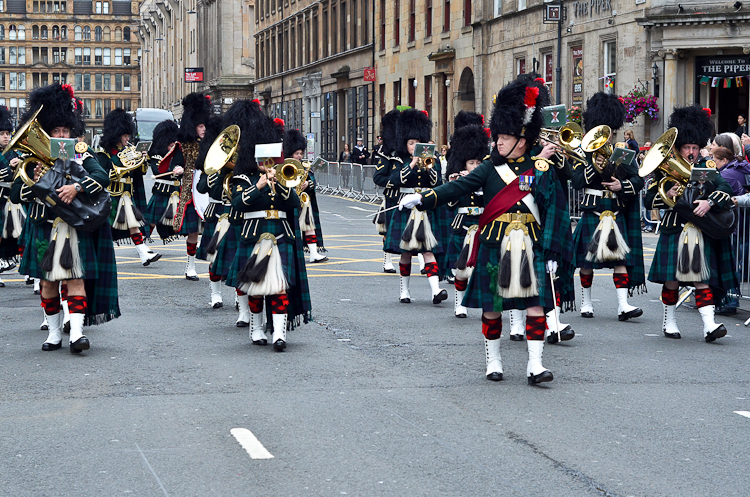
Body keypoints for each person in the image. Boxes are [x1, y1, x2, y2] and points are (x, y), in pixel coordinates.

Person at [400, 75, 575, 384]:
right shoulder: (489, 168)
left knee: (536, 306)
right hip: (497, 243)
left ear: (522, 140)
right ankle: (493, 360)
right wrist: (422, 198)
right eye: (497, 137)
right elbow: (459, 188)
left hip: (531, 244)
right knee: (493, 309)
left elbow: (554, 209)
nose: (497, 142)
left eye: (504, 138)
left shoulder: (540, 166)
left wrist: (553, 251)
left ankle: (535, 364)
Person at [10, 83, 121, 353]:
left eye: (65, 131)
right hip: (44, 226)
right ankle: (55, 333)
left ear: (72, 131)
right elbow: (15, 194)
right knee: (48, 283)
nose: (61, 135)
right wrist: (37, 183)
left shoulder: (83, 153)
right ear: (48, 132)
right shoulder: (32, 156)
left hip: (74, 227)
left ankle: (78, 334)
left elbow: (102, 177)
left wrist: (77, 186)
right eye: (56, 131)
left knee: (76, 279)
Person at [645, 105, 737, 342]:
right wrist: (670, 192)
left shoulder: (706, 168)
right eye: (687, 147)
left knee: (701, 277)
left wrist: (709, 202)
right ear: (679, 147)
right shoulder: (663, 171)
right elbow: (648, 200)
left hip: (699, 229)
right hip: (674, 227)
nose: (691, 152)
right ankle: (670, 322)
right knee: (672, 279)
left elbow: (725, 189)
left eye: (695, 147)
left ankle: (709, 325)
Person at [225, 99, 311, 350]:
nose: (267, 163)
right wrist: (260, 185)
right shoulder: (242, 177)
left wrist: (281, 185)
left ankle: (280, 334)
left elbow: (294, 204)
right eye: (263, 159)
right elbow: (239, 205)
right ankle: (257, 328)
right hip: (254, 235)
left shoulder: (284, 174)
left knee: (279, 286)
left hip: (281, 235)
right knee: (256, 288)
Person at [573, 92, 645, 321]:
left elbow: (639, 180)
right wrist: (595, 167)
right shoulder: (583, 152)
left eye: (612, 132)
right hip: (592, 209)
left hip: (615, 210)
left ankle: (623, 305)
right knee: (587, 261)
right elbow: (576, 182)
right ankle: (586, 302)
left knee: (620, 260)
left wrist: (621, 185)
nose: (610, 136)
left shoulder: (623, 152)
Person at [384, 108, 448, 306]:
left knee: (428, 250)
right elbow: (393, 181)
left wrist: (428, 166)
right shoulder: (398, 160)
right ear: (406, 144)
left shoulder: (431, 160)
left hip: (423, 208)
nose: (414, 146)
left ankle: (436, 290)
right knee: (405, 253)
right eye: (411, 143)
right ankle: (404, 290)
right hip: (405, 208)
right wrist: (411, 164)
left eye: (416, 143)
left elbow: (436, 183)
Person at [97, 108, 162, 266]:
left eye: (128, 135)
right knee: (107, 229)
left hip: (127, 194)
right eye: (125, 135)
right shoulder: (104, 153)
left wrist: (143, 160)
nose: (127, 138)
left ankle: (143, 252)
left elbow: (141, 172)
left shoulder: (130, 151)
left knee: (133, 224)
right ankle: (140, 252)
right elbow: (103, 175)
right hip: (113, 195)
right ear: (116, 134)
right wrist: (119, 171)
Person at [443, 118, 489, 318]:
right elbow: (451, 206)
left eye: (478, 162)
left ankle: (483, 303)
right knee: (461, 269)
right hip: (462, 224)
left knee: (483, 267)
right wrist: (456, 185)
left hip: (482, 224)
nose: (475, 166)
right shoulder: (459, 179)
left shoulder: (487, 180)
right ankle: (460, 304)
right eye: (471, 163)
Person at [176, 92, 211, 281]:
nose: (203, 129)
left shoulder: (212, 145)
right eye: (200, 126)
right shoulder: (184, 145)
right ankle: (190, 266)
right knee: (193, 231)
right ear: (193, 126)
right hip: (191, 189)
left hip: (211, 189)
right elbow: (175, 161)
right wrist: (177, 168)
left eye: (205, 125)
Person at [194, 112, 228, 308]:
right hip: (216, 210)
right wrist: (210, 177)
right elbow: (200, 188)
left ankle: (239, 298)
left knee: (235, 256)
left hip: (233, 211)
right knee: (213, 256)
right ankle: (215, 294)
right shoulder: (211, 163)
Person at [284, 128, 328, 263]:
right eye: (296, 153)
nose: (299, 156)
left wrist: (308, 184)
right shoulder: (284, 165)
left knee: (309, 227)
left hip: (304, 202)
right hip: (289, 201)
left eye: (301, 153)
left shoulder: (305, 165)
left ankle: (314, 252)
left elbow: (313, 180)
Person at [373, 110, 402, 273]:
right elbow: (378, 178)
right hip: (393, 196)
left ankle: (423, 261)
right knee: (389, 230)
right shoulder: (386, 155)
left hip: (410, 195)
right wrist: (394, 181)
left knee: (416, 227)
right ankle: (387, 260)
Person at [144, 120, 181, 243]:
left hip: (176, 192)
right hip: (162, 191)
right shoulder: (157, 157)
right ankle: (144, 240)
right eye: (170, 146)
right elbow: (158, 171)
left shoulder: (179, 158)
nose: (172, 148)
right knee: (152, 219)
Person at [0, 105, 22, 284]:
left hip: (13, 200)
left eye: (8, 133)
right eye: (2, 133)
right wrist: (8, 169)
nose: (6, 136)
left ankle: (31, 273)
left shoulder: (14, 152)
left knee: (20, 234)